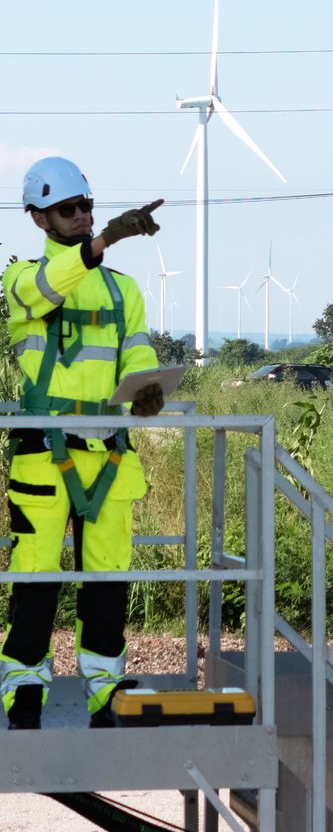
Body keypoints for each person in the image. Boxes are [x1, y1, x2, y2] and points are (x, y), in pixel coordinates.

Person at [2, 157, 165, 730]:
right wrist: (103, 241)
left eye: (86, 208)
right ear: (40, 219)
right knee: (36, 577)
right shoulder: (21, 280)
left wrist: (147, 389)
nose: (80, 217)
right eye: (68, 210)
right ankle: (23, 690)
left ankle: (105, 691)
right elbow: (50, 286)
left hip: (109, 453)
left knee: (107, 581)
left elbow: (137, 350)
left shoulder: (124, 292)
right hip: (44, 453)